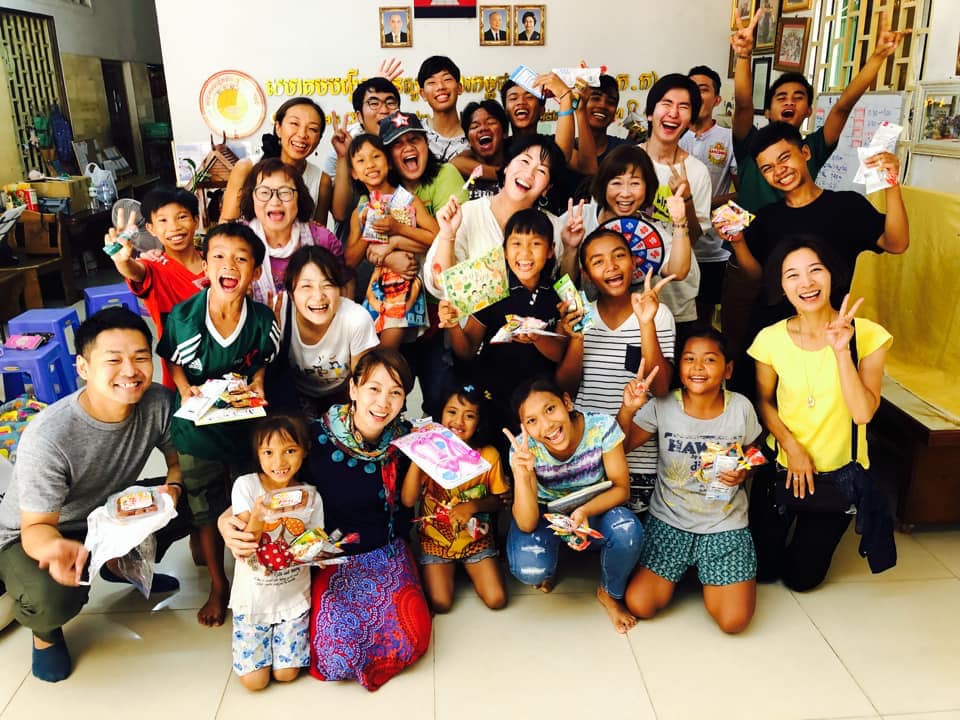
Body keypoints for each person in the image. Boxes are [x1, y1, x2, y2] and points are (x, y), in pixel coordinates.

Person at [221, 349, 431, 691]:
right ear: (353, 389)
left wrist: (425, 452)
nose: (383, 402)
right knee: (336, 655)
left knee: (412, 636)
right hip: (329, 558)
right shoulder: (313, 438)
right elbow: (270, 480)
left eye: (395, 392)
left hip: (385, 551)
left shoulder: (406, 439)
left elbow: (408, 502)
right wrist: (226, 518)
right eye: (374, 388)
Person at [0, 308, 187, 682]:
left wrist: (175, 487)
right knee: (53, 596)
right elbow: (35, 528)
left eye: (140, 357)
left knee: (201, 495)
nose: (130, 371)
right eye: (113, 360)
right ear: (83, 368)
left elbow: (176, 459)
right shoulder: (49, 437)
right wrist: (57, 549)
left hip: (105, 512)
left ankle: (120, 565)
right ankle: (45, 633)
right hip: (35, 535)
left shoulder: (158, 402)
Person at [724, 9, 904, 355]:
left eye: (798, 97)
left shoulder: (813, 149)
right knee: (740, 349)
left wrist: (878, 57)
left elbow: (843, 108)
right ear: (768, 109)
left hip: (803, 271)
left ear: (809, 111)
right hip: (751, 254)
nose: (790, 102)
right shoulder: (751, 145)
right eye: (781, 97)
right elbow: (743, 105)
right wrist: (743, 55)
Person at [717, 122, 908, 394]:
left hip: (827, 335)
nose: (779, 171)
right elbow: (756, 276)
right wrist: (738, 243)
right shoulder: (767, 217)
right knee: (761, 406)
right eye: (767, 168)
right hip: (771, 332)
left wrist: (892, 186)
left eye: (784, 158)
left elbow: (897, 243)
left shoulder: (847, 206)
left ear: (805, 153)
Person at [747, 238, 892, 590]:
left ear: (832, 274)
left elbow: (862, 413)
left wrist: (842, 351)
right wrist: (792, 447)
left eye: (816, 270)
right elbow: (764, 402)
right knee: (762, 571)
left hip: (838, 475)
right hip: (783, 466)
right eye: (792, 275)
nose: (806, 283)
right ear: (781, 286)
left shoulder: (868, 335)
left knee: (802, 579)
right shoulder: (770, 339)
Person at [158, 223, 280, 627]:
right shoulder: (184, 317)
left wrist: (258, 381)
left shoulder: (263, 321)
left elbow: (264, 360)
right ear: (205, 265)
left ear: (256, 272)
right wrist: (184, 389)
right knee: (204, 508)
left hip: (245, 428)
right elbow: (172, 359)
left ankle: (250, 573)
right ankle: (217, 582)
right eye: (219, 257)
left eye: (242, 259)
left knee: (247, 499)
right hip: (197, 429)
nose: (230, 265)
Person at [618, 328, 762, 633]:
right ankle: (686, 569)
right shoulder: (663, 405)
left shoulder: (741, 407)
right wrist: (628, 409)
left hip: (724, 524)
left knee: (733, 622)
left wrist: (743, 470)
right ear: (679, 367)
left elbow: (754, 450)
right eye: (689, 359)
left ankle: (705, 571)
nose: (698, 367)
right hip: (670, 520)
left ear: (728, 370)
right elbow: (622, 446)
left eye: (709, 359)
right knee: (640, 604)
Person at [506, 377, 644, 633]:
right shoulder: (523, 449)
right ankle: (551, 564)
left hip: (595, 509)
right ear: (524, 428)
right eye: (532, 421)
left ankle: (609, 593)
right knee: (530, 568)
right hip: (546, 516)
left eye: (550, 409)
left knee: (628, 532)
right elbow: (526, 523)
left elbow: (622, 489)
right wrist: (522, 475)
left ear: (567, 403)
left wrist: (584, 511)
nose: (547, 425)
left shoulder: (601, 427)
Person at [556, 234, 677, 515]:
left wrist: (645, 322)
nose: (611, 265)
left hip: (638, 460)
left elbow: (660, 388)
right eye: (598, 261)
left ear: (634, 262)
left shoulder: (658, 314)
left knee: (629, 535)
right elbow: (565, 391)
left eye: (619, 255)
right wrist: (576, 338)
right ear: (586, 273)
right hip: (585, 457)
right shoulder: (580, 316)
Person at [438, 208, 570, 450]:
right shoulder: (492, 289)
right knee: (496, 457)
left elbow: (561, 354)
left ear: (551, 250)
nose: (525, 253)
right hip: (493, 399)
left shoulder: (558, 293)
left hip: (539, 407)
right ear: (505, 250)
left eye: (536, 244)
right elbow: (467, 351)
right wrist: (454, 326)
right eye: (516, 243)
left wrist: (537, 338)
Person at [228, 415, 321, 691]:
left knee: (286, 674)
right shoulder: (246, 486)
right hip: (253, 599)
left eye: (289, 451)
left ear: (305, 450)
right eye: (268, 452)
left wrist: (320, 551)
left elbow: (314, 542)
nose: (279, 462)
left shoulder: (310, 495)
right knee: (254, 682)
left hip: (293, 598)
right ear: (257, 454)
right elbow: (247, 544)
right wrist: (258, 515)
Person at [424, 133, 574, 297]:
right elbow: (439, 285)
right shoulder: (469, 214)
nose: (529, 174)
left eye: (541, 171)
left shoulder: (554, 227)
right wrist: (447, 236)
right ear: (507, 166)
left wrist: (570, 248)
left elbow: (566, 294)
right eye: (525, 161)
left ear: (547, 188)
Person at [401, 384, 509, 612]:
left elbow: (499, 500)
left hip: (476, 540)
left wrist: (473, 506)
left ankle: (469, 566)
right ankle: (449, 570)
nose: (459, 421)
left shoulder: (489, 455)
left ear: (479, 423)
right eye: (452, 412)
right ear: (440, 414)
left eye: (469, 416)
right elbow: (408, 501)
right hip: (435, 542)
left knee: (497, 600)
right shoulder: (428, 452)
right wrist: (417, 455)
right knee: (440, 603)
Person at [558, 144, 693, 318]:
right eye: (616, 183)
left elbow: (678, 273)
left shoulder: (650, 233)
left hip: (635, 323)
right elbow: (563, 285)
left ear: (647, 187)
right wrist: (570, 248)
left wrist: (680, 222)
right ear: (603, 185)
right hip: (584, 322)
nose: (625, 193)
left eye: (635, 183)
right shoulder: (578, 218)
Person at [103, 186, 205, 389]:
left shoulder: (216, 262)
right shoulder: (154, 267)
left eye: (182, 217)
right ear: (151, 228)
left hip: (227, 368)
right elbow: (136, 271)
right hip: (180, 379)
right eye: (163, 220)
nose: (174, 227)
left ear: (196, 220)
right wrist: (123, 261)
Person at [344, 133, 438, 347]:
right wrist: (371, 226)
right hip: (376, 288)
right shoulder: (360, 211)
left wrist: (397, 229)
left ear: (389, 163)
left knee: (387, 351)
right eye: (361, 160)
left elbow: (436, 236)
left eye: (376, 156)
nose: (370, 164)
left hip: (405, 284)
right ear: (354, 173)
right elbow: (349, 260)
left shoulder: (407, 200)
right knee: (374, 352)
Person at [271, 246, 379, 420]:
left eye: (327, 285)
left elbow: (362, 382)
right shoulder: (279, 310)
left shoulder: (356, 319)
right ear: (291, 293)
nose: (318, 296)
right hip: (295, 395)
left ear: (340, 289)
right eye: (306, 286)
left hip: (342, 395)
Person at [639, 73, 710, 328]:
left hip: (678, 294)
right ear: (650, 113)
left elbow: (696, 238)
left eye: (683, 107)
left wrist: (687, 200)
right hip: (630, 290)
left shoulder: (697, 171)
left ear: (690, 121)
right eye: (666, 103)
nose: (673, 113)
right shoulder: (628, 160)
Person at [238, 156, 343, 306]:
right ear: (251, 197)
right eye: (264, 192)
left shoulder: (323, 240)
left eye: (285, 192)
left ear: (299, 198)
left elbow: (344, 287)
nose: (275, 201)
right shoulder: (237, 242)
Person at [680, 65, 738, 324]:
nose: (696, 95)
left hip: (714, 248)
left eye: (703, 89)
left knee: (704, 318)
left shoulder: (729, 138)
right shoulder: (673, 134)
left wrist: (704, 204)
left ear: (717, 99)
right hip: (676, 244)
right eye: (691, 89)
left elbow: (742, 192)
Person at [222, 97, 326, 222]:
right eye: (294, 124)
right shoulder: (246, 168)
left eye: (313, 129)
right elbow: (225, 225)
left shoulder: (322, 181)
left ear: (319, 138)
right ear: (278, 128)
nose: (302, 134)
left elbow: (319, 232)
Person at [569, 75, 631, 174]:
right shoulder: (565, 147)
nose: (602, 105)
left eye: (610, 102)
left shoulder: (624, 150)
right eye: (595, 98)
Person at [417, 56, 471, 163]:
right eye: (432, 82)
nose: (440, 87)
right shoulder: (416, 132)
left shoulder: (473, 134)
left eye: (447, 79)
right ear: (423, 94)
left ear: (459, 88)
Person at [460, 100, 509, 199]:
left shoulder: (518, 166)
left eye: (490, 122)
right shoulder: (459, 176)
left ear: (505, 132)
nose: (483, 128)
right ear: (469, 141)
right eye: (475, 126)